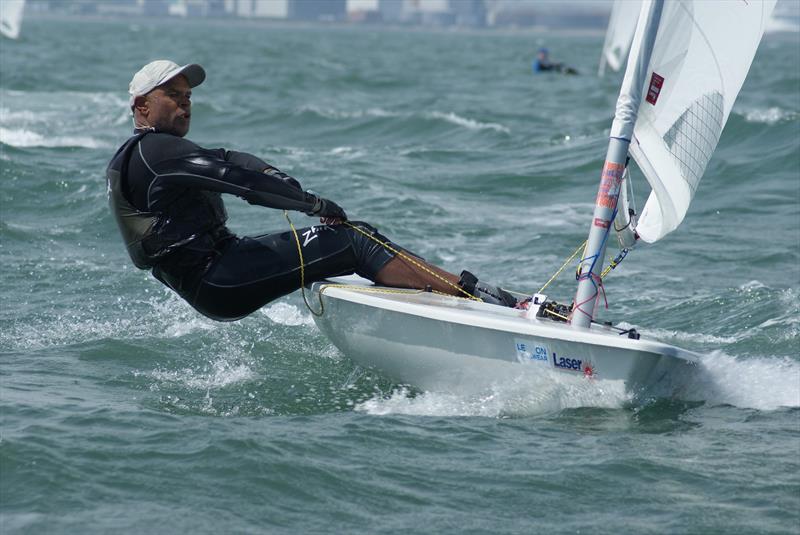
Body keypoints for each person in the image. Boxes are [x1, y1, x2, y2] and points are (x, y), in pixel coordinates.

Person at [106, 60, 517, 321]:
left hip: (215, 275)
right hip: (217, 277)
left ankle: (432, 294)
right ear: (141, 105)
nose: (185, 104)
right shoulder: (158, 151)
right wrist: (312, 204)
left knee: (350, 240)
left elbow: (234, 159)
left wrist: (284, 181)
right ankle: (474, 293)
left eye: (189, 96)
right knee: (352, 240)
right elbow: (241, 182)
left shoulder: (145, 154)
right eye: (173, 96)